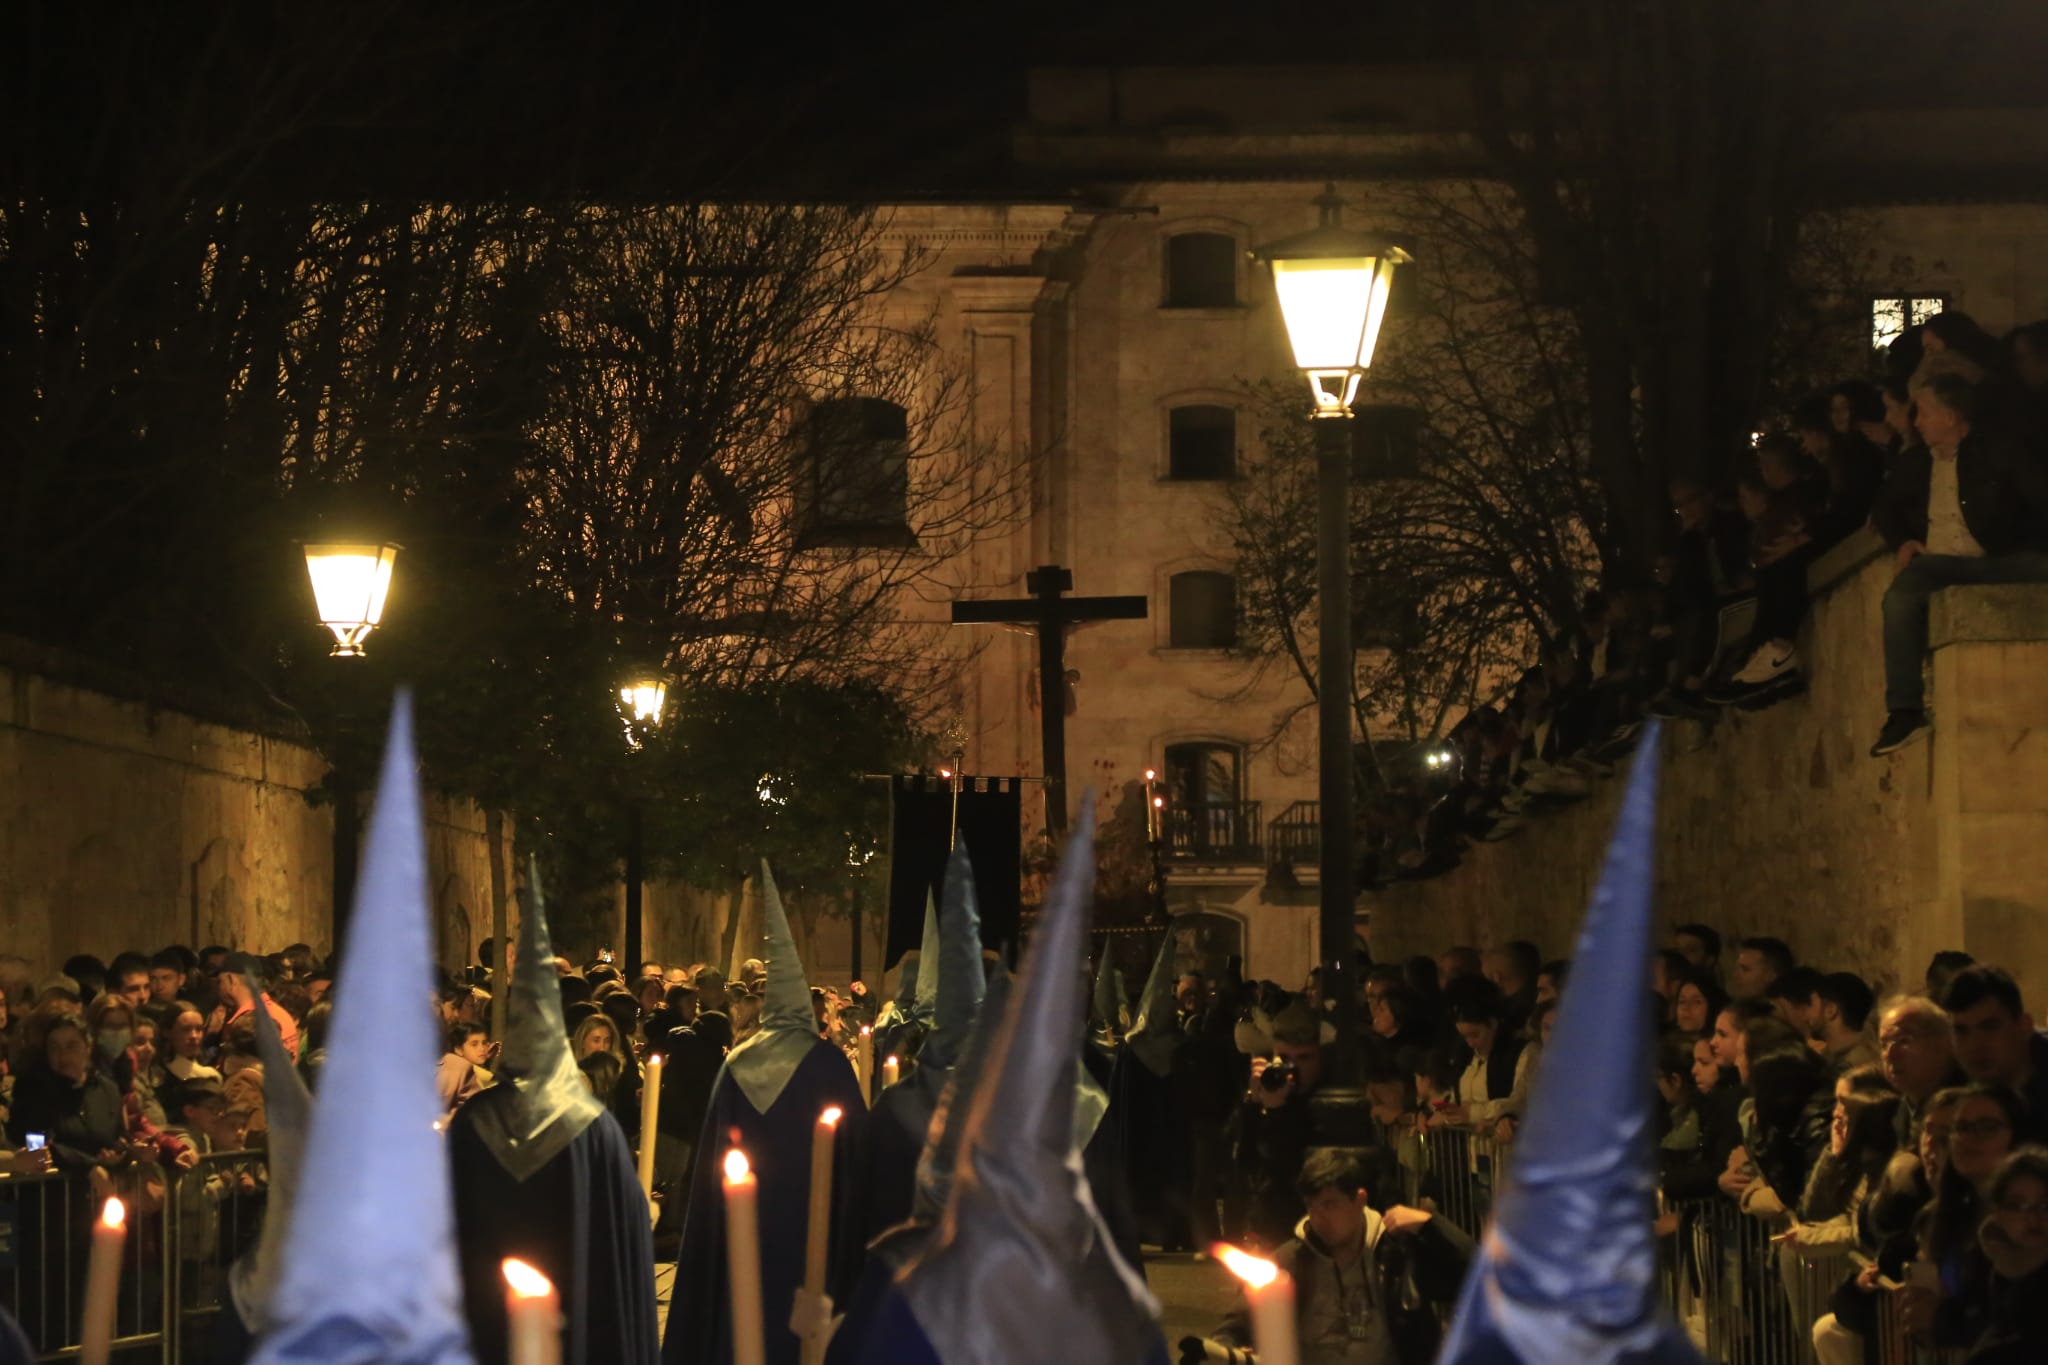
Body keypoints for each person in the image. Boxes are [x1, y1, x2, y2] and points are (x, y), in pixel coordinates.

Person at [450, 873, 659, 1365]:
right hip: (580, 1322)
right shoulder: (595, 1126)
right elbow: (625, 1240)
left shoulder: (473, 1122)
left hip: (486, 1321)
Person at [665, 864, 868, 1365]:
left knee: (745, 1320)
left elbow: (711, 1161)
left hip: (742, 1228)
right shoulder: (828, 1063)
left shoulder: (737, 1063)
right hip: (812, 1234)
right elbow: (859, 1158)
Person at [1868, 370, 2048, 755]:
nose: (1917, 422)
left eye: (1925, 413)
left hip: (2002, 559)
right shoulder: (1916, 463)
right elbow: (1883, 506)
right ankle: (1905, 710)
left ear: (1950, 416)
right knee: (1900, 599)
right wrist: (1903, 541)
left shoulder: (1998, 451)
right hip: (1942, 564)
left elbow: (2039, 497)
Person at [1204, 1150, 1476, 1365]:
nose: (1319, 1218)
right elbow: (1236, 1324)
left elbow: (1477, 1274)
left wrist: (1430, 1225)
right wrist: (1221, 1349)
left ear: (1359, 1200)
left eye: (1330, 1205)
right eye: (1312, 1206)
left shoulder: (1397, 1252)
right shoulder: (1291, 1261)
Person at [1938, 965, 2048, 1137]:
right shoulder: (1951, 1083)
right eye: (1961, 1031)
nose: (1975, 1045)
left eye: (1989, 1027)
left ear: (2024, 1026)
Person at [1967, 1146, 2048, 1361]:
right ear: (1997, 1214)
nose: (2032, 1218)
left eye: (2045, 1206)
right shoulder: (1991, 1267)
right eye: (2016, 1205)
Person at [1879, 996, 1965, 1146]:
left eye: (1904, 1040)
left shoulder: (1965, 1110)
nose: (1890, 1055)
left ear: (1943, 1043)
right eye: (1884, 1044)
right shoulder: (1894, 1110)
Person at [1810, 972, 1880, 1073]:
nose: (1804, 1013)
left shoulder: (1856, 1068)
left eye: (1810, 1005)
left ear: (1830, 1010)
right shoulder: (1829, 1058)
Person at [438, 1021, 496, 1116]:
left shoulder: (484, 1075)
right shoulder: (456, 1072)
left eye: (484, 1043)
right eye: (474, 1044)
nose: (482, 1048)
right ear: (459, 1050)